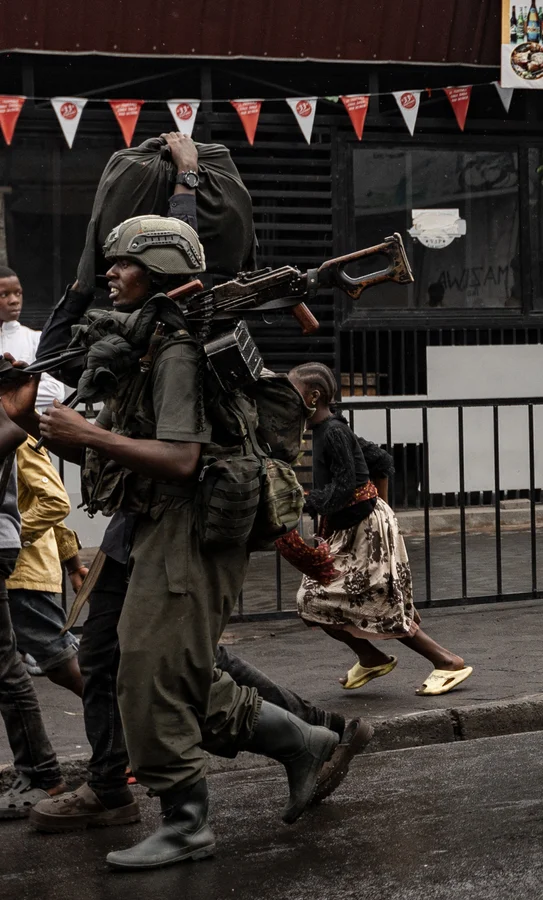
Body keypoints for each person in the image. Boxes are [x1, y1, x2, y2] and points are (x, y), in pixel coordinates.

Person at [26, 215, 340, 870]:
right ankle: (303, 742)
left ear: (162, 270)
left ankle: (188, 821)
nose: (110, 273)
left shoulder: (177, 351)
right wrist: (56, 431)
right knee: (166, 673)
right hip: (163, 525)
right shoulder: (150, 346)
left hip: (192, 527)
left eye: (123, 262)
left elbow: (179, 458)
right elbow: (128, 456)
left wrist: (86, 437)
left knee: (151, 670)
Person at [287, 362, 473, 695]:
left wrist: (302, 501)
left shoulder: (333, 432)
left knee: (377, 606)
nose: (285, 397)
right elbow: (382, 460)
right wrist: (381, 509)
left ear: (313, 396)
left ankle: (447, 662)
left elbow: (344, 488)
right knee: (315, 604)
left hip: (364, 534)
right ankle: (371, 657)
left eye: (291, 390)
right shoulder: (328, 429)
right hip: (356, 529)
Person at [0, 399, 68, 819]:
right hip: (18, 555)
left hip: (21, 561)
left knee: (36, 662)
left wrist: (19, 537)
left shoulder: (14, 428)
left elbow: (55, 503)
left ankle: (43, 772)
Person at [8, 435, 87, 698]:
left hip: (20, 575)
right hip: (15, 572)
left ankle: (120, 724)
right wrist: (73, 565)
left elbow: (55, 503)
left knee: (62, 662)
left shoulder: (17, 440)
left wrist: (5, 536)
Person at [0, 266, 66, 413]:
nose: (14, 300)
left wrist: (11, 393)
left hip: (27, 433)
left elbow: (56, 391)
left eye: (18, 293)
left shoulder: (36, 339)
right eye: (4, 295)